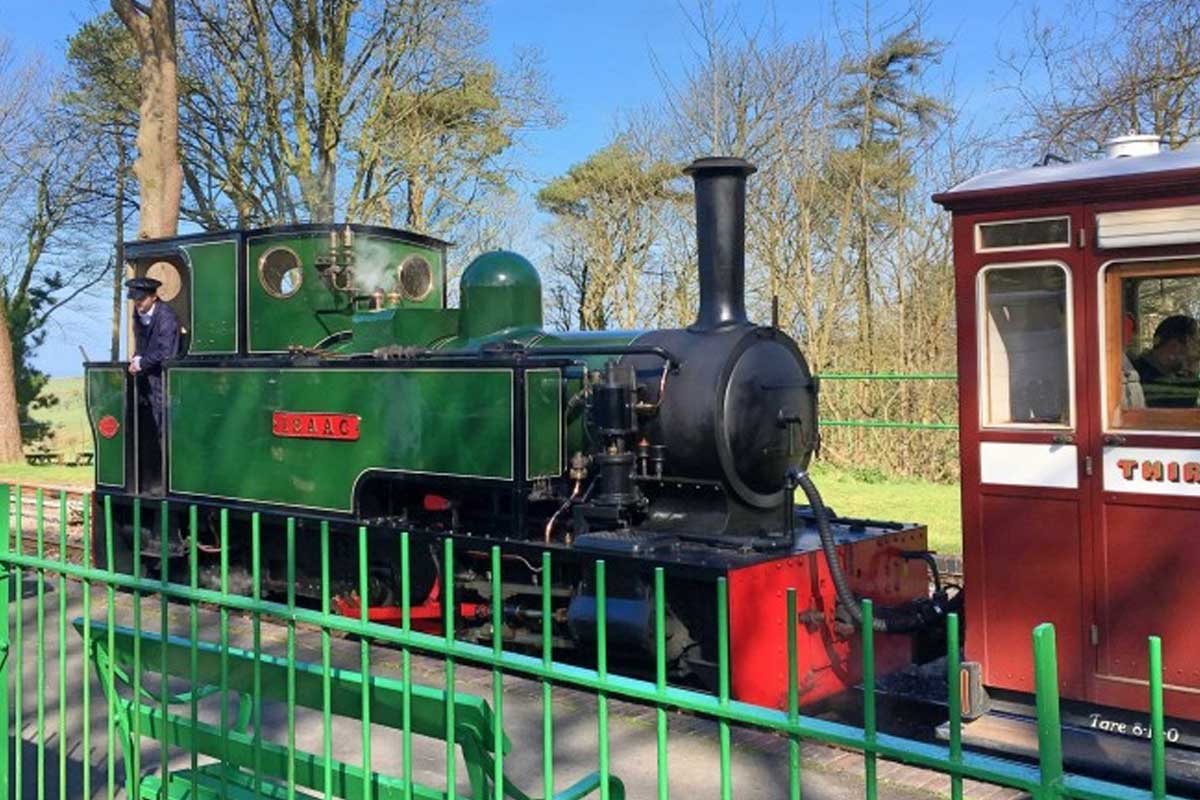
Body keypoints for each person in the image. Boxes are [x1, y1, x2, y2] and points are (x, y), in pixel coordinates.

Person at [126, 276, 180, 434]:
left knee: (161, 423)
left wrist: (141, 363)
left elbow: (166, 351)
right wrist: (136, 358)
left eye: (141, 299)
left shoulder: (166, 316)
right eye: (135, 299)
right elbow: (140, 341)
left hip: (162, 377)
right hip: (145, 377)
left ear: (154, 297)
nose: (137, 303)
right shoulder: (138, 313)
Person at [1131, 315, 1200, 408]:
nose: (1197, 352)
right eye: (1196, 343)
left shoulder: (1178, 376)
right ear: (1174, 345)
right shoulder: (1135, 376)